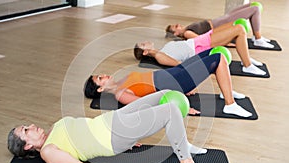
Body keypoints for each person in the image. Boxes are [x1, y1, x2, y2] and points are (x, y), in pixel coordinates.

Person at [8, 90, 217, 163]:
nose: (32, 126)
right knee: (170, 110)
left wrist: (131, 137)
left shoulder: (55, 128)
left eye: (27, 126)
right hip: (113, 136)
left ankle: (183, 144)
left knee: (164, 95)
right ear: (26, 146)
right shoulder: (49, 152)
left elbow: (84, 130)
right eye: (26, 130)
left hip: (113, 120)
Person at [85, 49, 252, 118]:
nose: (104, 75)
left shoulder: (121, 80)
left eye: (101, 75)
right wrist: (180, 105)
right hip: (176, 82)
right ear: (100, 89)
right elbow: (146, 103)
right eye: (100, 78)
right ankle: (230, 104)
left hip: (173, 73)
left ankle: (226, 91)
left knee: (212, 51)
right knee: (218, 59)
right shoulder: (120, 94)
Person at [136, 23, 266, 76]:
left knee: (233, 26)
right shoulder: (159, 56)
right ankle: (247, 65)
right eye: (143, 44)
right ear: (145, 52)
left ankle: (246, 59)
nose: (145, 42)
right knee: (239, 29)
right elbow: (180, 65)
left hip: (198, 41)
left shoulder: (162, 49)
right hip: (200, 46)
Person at [166, 2, 274, 48]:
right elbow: (204, 41)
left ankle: (257, 36)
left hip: (221, 19)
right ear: (175, 33)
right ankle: (258, 39)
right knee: (254, 9)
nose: (178, 24)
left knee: (251, 5)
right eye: (175, 27)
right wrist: (225, 42)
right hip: (222, 23)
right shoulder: (187, 33)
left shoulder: (187, 28)